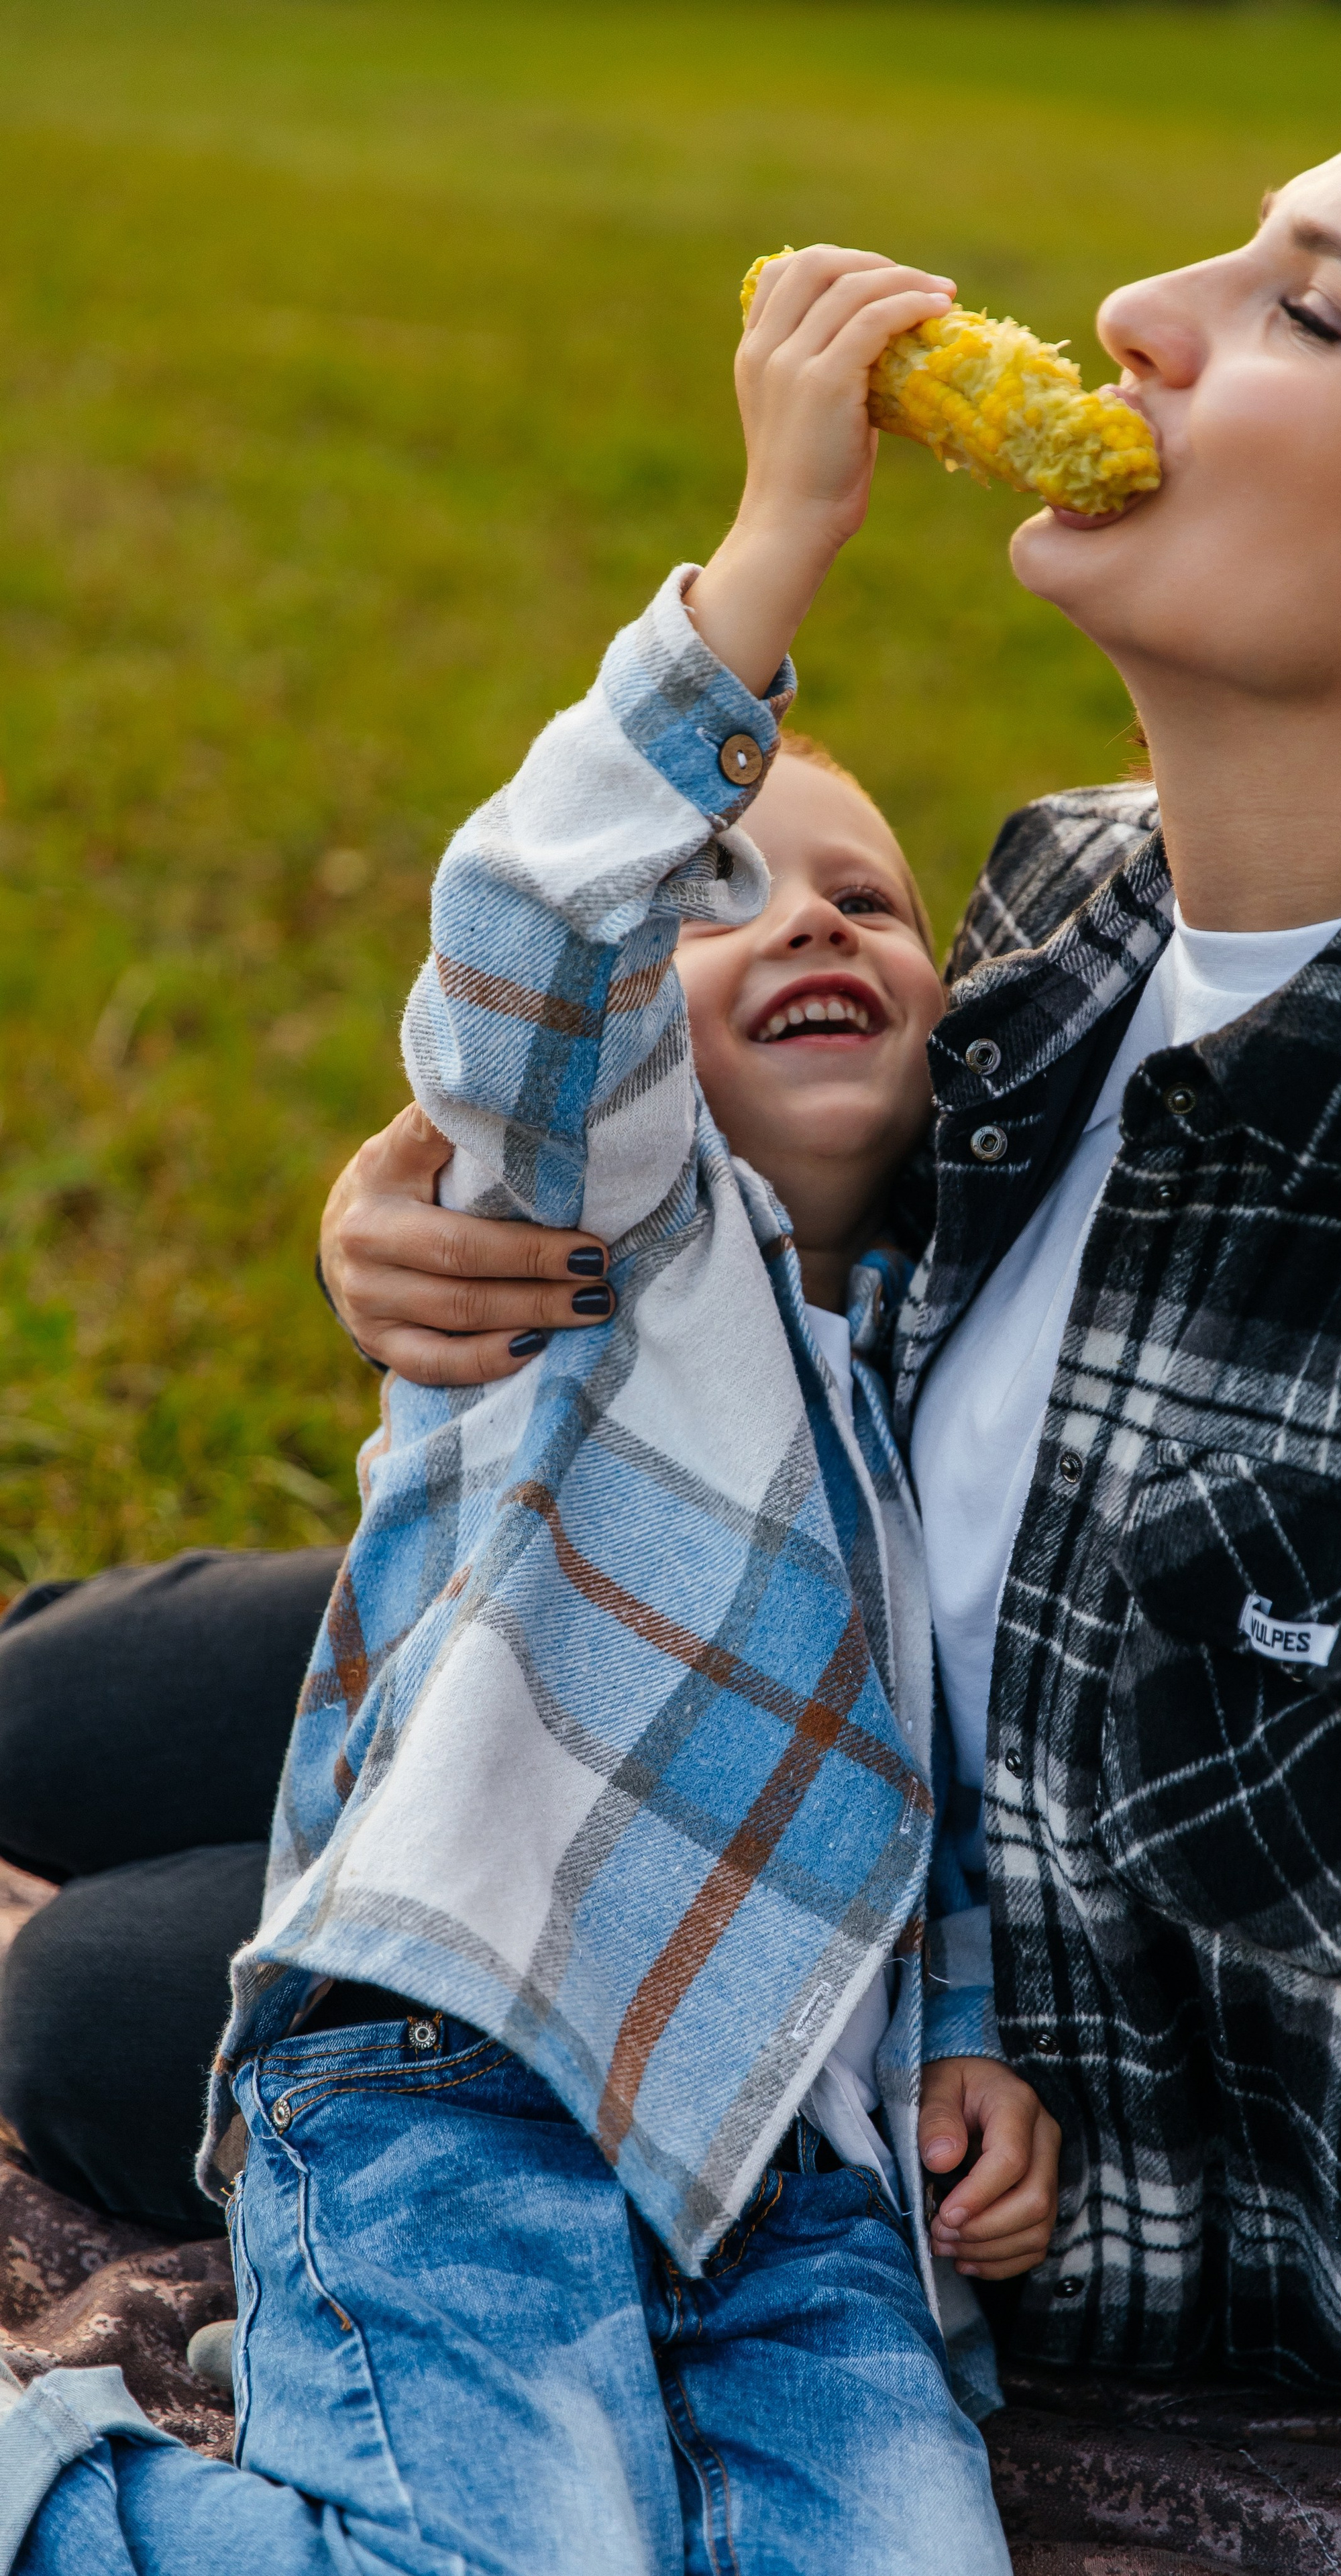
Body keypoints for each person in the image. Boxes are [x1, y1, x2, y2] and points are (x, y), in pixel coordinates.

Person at [9, 20, 1341, 2575]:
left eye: (1305, 314)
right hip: (745, 1606)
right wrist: (432, 1198)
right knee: (46, 1708)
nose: (1139, 308)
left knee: (110, 2013)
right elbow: (738, 1141)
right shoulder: (1074, 896)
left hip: (911, 1964)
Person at [2, 543, 1061, 2567]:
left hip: (797, 2182)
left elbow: (928, 1797)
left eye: (866, 897)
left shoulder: (948, 1342)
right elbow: (526, 932)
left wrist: (975, 2052)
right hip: (463, 2072)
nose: (807, 920)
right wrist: (762, 567)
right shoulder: (621, 1215)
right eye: (719, 892)